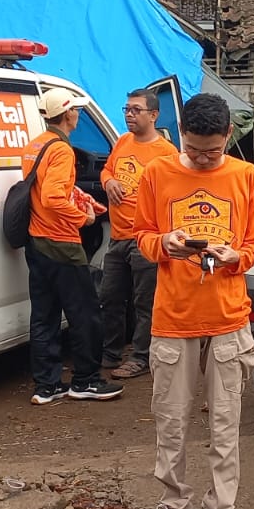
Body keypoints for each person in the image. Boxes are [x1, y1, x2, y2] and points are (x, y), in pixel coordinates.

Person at [135, 93, 254, 509]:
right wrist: (165, 243)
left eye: (213, 151)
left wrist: (237, 256)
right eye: (194, 149)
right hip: (174, 319)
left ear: (229, 137)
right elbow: (142, 237)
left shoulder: (247, 177)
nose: (204, 158)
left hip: (229, 319)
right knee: (171, 424)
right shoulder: (158, 173)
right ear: (181, 136)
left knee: (224, 425)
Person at [22, 87, 123, 404]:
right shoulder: (63, 151)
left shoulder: (35, 145)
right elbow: (53, 197)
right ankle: (86, 380)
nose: (78, 114)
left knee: (44, 316)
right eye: (76, 110)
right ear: (68, 114)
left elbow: (41, 193)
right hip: (62, 242)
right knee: (85, 313)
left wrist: (76, 197)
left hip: (36, 240)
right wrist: (84, 217)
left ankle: (46, 386)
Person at [99, 88, 178, 379]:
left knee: (145, 301)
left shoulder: (167, 154)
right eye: (127, 109)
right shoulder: (122, 141)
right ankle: (110, 352)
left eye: (136, 110)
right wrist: (108, 183)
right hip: (117, 237)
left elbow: (175, 195)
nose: (129, 115)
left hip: (145, 238)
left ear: (154, 115)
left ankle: (142, 356)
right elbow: (107, 170)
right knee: (110, 296)